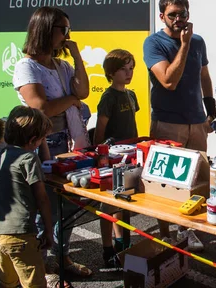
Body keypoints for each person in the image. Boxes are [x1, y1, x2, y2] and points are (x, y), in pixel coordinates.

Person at [13, 6, 92, 277]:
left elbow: (83, 91)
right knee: (43, 207)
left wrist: (77, 54)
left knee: (66, 207)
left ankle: (63, 258)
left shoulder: (62, 64)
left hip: (69, 143)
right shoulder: (27, 66)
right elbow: (41, 108)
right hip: (44, 145)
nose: (67, 34)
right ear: (46, 29)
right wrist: (70, 100)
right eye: (63, 29)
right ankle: (45, 266)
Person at [143, 0, 216, 252]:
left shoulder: (198, 41)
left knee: (197, 181)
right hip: (167, 123)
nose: (178, 19)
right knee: (166, 183)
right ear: (162, 16)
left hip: (196, 122)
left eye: (182, 14)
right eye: (172, 14)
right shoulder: (154, 43)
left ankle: (189, 231)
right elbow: (168, 82)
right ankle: (166, 233)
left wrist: (210, 106)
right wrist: (183, 46)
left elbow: (204, 74)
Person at [0, 106, 53, 288]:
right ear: (34, 140)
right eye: (42, 139)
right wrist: (49, 232)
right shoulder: (28, 159)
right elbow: (42, 199)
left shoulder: (2, 155)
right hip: (22, 236)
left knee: (7, 282)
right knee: (34, 284)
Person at [94, 49, 139, 267]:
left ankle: (122, 244)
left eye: (131, 69)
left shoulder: (131, 95)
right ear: (111, 73)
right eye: (123, 69)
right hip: (111, 159)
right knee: (109, 204)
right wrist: (99, 155)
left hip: (130, 156)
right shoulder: (108, 97)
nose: (129, 73)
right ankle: (107, 249)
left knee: (125, 200)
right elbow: (100, 130)